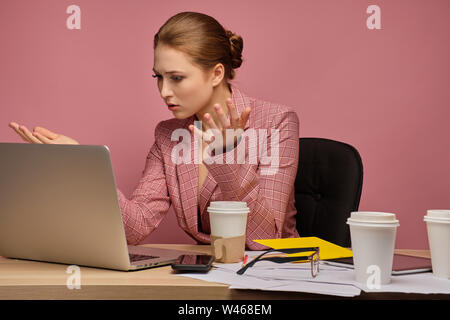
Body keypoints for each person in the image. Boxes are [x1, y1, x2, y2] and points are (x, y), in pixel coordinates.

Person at [8, 11, 299, 250]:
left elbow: (265, 241)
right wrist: (79, 166)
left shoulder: (276, 122)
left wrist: (226, 155)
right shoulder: (168, 135)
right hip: (205, 277)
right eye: (158, 77)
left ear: (216, 73)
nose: (164, 91)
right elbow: (135, 227)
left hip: (274, 277)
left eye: (176, 78)